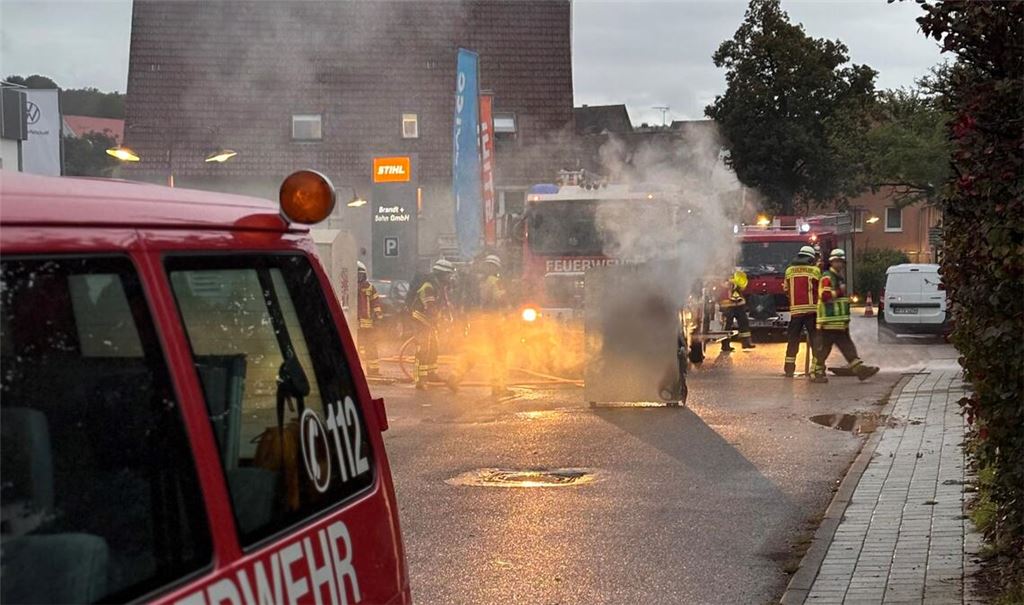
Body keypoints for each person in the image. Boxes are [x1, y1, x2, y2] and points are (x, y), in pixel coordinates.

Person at [811, 249, 880, 383]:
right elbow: (824, 296)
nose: (840, 264)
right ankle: (816, 372)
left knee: (845, 346)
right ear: (832, 262)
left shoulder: (837, 277)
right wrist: (838, 292)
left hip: (838, 322)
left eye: (841, 262)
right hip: (829, 321)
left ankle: (860, 370)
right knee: (825, 348)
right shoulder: (827, 277)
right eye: (837, 261)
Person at [409, 258, 457, 390]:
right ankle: (420, 379)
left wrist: (448, 316)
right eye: (448, 274)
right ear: (441, 274)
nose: (450, 277)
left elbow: (444, 304)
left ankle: (431, 373)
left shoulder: (440, 286)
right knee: (423, 349)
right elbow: (430, 307)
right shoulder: (428, 286)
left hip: (429, 322)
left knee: (433, 348)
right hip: (421, 320)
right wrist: (439, 320)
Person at [782, 245, 821, 377]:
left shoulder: (789, 271)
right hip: (812, 311)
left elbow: (786, 290)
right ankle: (817, 369)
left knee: (793, 340)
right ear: (811, 258)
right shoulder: (815, 271)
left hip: (796, 312)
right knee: (816, 341)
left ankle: (789, 368)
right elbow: (820, 290)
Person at [356, 261, 384, 377]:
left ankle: (373, 371)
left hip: (368, 324)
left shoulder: (369, 287)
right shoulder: (348, 287)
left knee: (371, 347)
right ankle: (355, 372)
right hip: (354, 325)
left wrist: (378, 317)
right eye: (357, 275)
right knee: (354, 348)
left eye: (360, 275)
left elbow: (376, 303)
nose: (359, 277)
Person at [720, 268, 756, 352]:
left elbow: (743, 287)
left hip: (739, 304)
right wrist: (731, 282)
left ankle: (746, 343)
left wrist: (736, 282)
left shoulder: (737, 277)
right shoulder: (723, 279)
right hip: (728, 306)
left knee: (744, 323)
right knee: (727, 326)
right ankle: (725, 345)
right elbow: (723, 286)